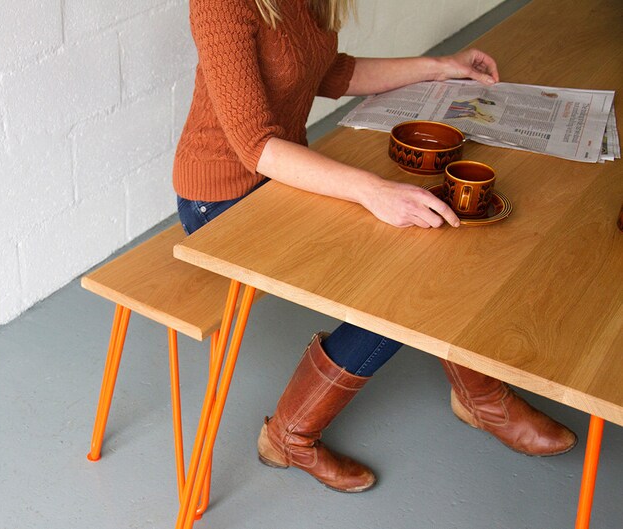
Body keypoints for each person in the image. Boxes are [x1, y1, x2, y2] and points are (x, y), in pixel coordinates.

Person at [173, 0, 577, 493]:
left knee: (430, 233)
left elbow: (333, 73)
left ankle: (479, 395)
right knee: (393, 286)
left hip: (280, 178)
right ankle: (290, 436)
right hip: (222, 199)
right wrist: (372, 190)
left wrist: (441, 66)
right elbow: (255, 144)